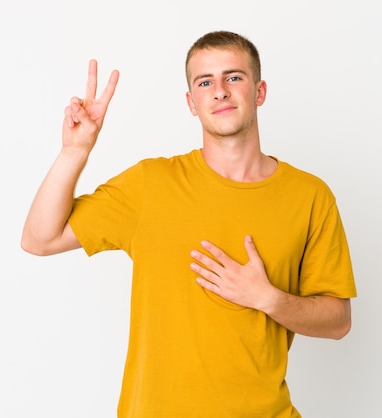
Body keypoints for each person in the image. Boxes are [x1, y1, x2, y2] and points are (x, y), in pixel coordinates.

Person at [21, 30, 357, 417]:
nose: (220, 91)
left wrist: (267, 298)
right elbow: (39, 239)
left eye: (234, 77)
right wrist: (74, 151)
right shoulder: (151, 184)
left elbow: (338, 321)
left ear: (259, 91)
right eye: (205, 82)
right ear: (191, 102)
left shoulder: (310, 196)